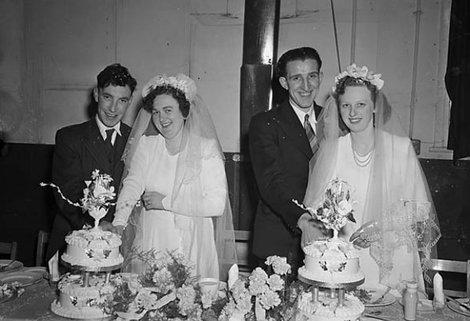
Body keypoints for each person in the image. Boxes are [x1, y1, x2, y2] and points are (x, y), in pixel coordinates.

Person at [303, 64, 441, 293]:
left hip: (392, 255)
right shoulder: (334, 150)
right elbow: (317, 207)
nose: (353, 113)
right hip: (347, 257)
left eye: (361, 105)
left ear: (374, 106)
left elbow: (419, 209)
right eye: (346, 105)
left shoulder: (399, 148)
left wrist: (378, 227)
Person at [111, 73, 236, 280]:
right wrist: (119, 222)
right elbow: (132, 185)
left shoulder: (206, 149)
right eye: (156, 112)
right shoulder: (147, 146)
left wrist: (165, 202)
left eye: (168, 110)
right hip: (153, 239)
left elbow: (216, 205)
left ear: (184, 112)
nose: (161, 118)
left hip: (193, 244)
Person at [46, 63, 137, 279]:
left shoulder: (137, 140)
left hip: (121, 250)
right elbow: (67, 192)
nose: (113, 108)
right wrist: (98, 225)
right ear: (96, 94)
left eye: (122, 100)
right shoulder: (69, 137)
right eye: (108, 97)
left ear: (130, 101)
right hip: (77, 246)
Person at [249, 47, 327, 272]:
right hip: (281, 242)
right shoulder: (264, 124)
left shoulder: (334, 120)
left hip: (327, 242)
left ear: (320, 77)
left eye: (312, 76)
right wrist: (303, 220)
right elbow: (271, 183)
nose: (306, 86)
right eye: (296, 78)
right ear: (284, 82)